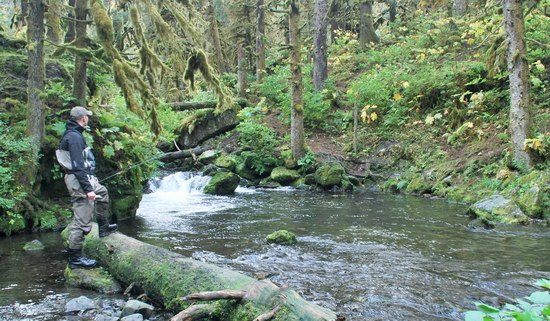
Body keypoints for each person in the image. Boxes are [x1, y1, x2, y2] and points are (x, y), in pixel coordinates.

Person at [57, 106, 118, 269]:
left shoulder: (74, 134)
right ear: (83, 118)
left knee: (103, 192)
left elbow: (80, 164)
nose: (88, 118)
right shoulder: (74, 138)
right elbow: (76, 166)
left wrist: (91, 178)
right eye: (87, 116)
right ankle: (75, 259)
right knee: (82, 221)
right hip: (78, 181)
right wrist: (88, 189)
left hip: (83, 177)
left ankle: (103, 228)